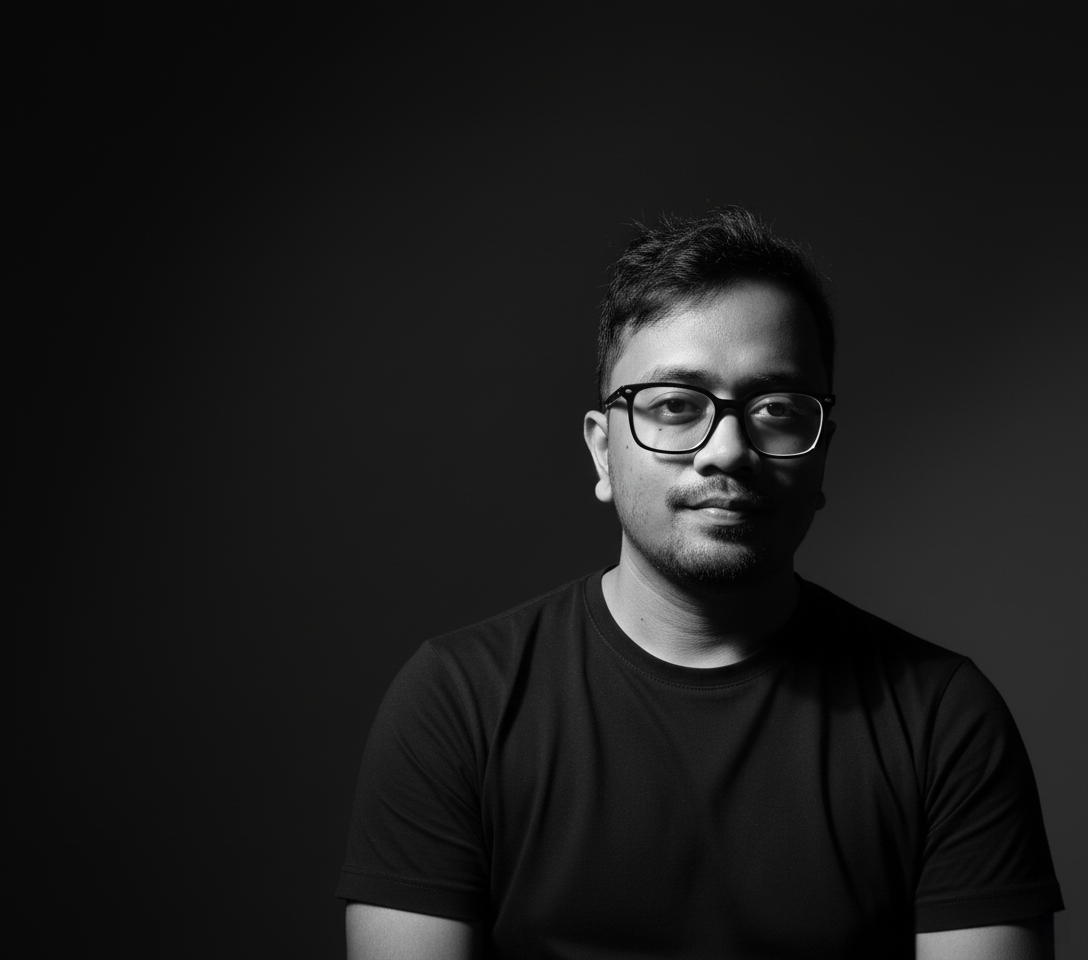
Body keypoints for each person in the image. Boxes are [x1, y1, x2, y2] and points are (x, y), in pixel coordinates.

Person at [337, 207, 1063, 959]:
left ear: (821, 453)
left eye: (776, 409)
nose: (728, 450)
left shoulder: (945, 722)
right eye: (676, 406)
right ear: (602, 452)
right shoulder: (457, 705)